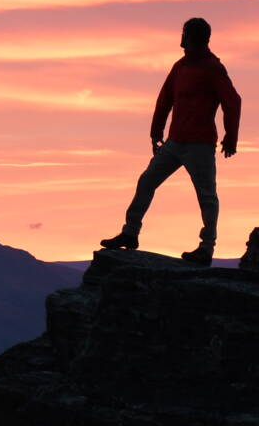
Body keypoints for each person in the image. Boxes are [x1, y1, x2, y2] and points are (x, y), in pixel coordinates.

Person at [100, 17, 241, 263]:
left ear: (193, 37)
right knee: (147, 181)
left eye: (185, 32)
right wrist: (156, 132)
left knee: (206, 195)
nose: (182, 36)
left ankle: (206, 248)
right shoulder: (180, 67)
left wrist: (231, 137)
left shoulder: (212, 68)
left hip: (200, 144)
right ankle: (130, 233)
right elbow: (165, 98)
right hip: (175, 143)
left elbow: (233, 102)